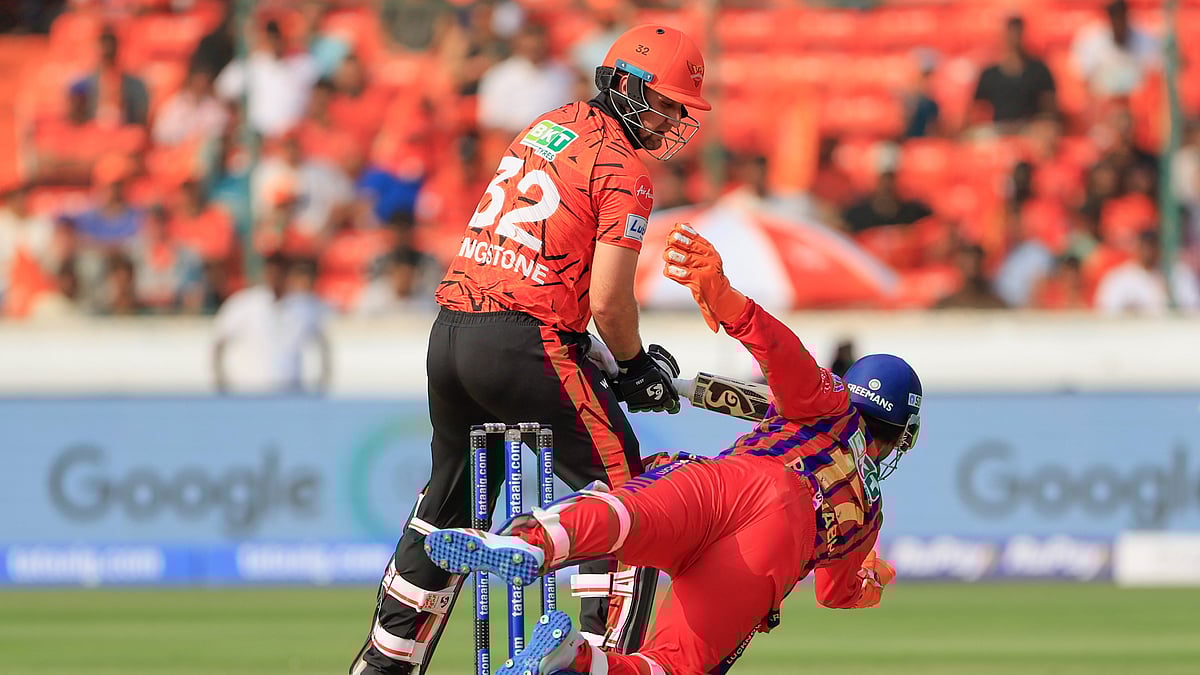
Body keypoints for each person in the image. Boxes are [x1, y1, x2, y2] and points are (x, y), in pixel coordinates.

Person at [349, 24, 713, 675]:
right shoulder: (624, 170)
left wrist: (606, 357)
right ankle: (603, 661)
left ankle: (384, 661)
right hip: (524, 339)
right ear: (626, 86)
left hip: (454, 330)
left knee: (447, 504)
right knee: (631, 495)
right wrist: (633, 366)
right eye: (665, 102)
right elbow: (607, 300)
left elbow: (540, 266)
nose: (671, 120)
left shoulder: (548, 125)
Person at [424, 223, 922, 675]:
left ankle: (530, 542)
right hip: (772, 553)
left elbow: (782, 354)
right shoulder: (869, 511)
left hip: (736, 484)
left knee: (627, 514)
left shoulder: (832, 403)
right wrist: (871, 582)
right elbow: (837, 595)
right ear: (902, 433)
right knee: (670, 667)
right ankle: (578, 659)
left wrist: (728, 302)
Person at [212, 252, 332, 393]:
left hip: (290, 391)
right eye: (272, 273)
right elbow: (218, 343)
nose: (275, 279)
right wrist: (222, 383)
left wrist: (322, 383)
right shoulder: (244, 304)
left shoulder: (304, 306)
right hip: (249, 391)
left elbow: (323, 343)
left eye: (280, 273)